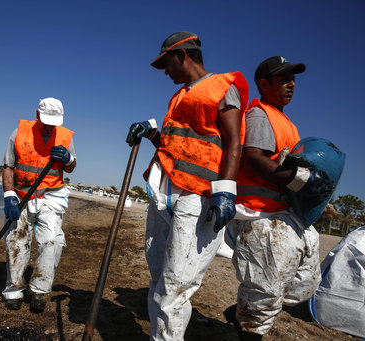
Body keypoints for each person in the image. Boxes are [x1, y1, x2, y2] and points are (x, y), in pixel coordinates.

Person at [126, 31, 249, 340]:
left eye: (166, 63)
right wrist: (150, 132)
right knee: (159, 276)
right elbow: (174, 145)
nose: (165, 71)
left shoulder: (222, 87)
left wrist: (225, 190)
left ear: (182, 55)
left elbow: (235, 141)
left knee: (175, 286)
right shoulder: (180, 95)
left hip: (198, 196)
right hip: (166, 191)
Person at [225, 56, 330, 340]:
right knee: (265, 290)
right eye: (284, 79)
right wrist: (300, 180)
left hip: (282, 214)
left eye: (293, 79)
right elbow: (254, 159)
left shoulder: (288, 123)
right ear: (264, 84)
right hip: (259, 215)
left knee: (303, 285)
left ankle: (242, 311)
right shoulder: (260, 114)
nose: (292, 84)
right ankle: (249, 328)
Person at [1, 97, 76, 312]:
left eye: (54, 122)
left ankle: (39, 289)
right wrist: (9, 195)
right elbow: (8, 165)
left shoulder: (64, 136)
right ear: (37, 115)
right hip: (22, 193)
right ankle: (14, 289)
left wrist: (68, 158)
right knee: (17, 237)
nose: (49, 126)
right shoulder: (18, 133)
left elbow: (71, 167)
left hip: (52, 194)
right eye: (45, 121)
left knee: (51, 240)